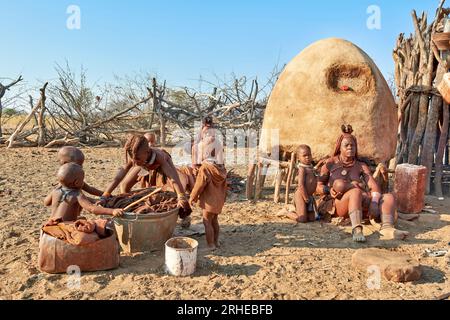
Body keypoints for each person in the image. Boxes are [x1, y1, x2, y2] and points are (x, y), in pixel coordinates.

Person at [316, 125, 409, 242]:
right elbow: (317, 186)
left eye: (353, 145)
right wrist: (328, 190)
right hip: (338, 203)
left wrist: (375, 202)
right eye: (347, 145)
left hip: (361, 202)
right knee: (355, 192)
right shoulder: (330, 163)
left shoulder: (360, 165)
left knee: (388, 197)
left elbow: (373, 186)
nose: (350, 147)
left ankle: (387, 228)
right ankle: (357, 229)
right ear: (340, 147)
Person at [102, 134, 192, 227]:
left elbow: (173, 178)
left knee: (177, 192)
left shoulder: (159, 156)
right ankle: (130, 209)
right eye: (133, 159)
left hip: (162, 164)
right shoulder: (135, 156)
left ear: (147, 152)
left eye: (137, 159)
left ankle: (185, 216)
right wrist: (105, 195)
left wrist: (181, 196)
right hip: (145, 165)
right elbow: (118, 178)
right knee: (124, 185)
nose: (135, 162)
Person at [44, 163, 124, 222]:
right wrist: (112, 211)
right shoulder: (77, 194)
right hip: (65, 227)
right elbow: (91, 209)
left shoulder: (55, 191)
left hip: (51, 224)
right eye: (82, 180)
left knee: (81, 219)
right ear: (76, 183)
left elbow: (46, 202)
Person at [189, 127, 227, 251]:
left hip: (209, 201)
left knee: (206, 222)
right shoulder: (221, 168)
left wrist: (192, 198)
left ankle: (210, 245)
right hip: (218, 200)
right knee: (214, 220)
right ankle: (216, 242)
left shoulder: (205, 168)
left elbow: (199, 186)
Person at [286, 145, 318, 223]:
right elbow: (300, 185)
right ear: (298, 158)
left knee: (312, 219)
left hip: (309, 196)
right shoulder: (302, 169)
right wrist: (306, 198)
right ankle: (287, 213)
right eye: (304, 156)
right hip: (301, 195)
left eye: (309, 155)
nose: (307, 157)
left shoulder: (311, 167)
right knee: (302, 219)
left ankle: (299, 211)